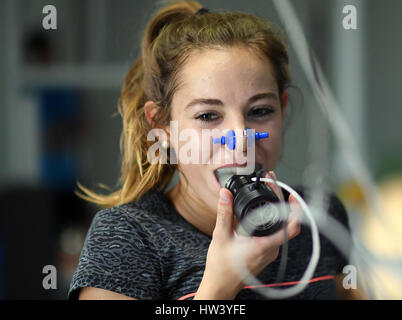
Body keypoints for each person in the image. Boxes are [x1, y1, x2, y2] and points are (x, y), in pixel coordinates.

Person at [68, 0, 351, 300]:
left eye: (259, 110)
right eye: (207, 116)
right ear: (163, 127)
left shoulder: (319, 217)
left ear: (282, 110)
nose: (241, 139)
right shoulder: (128, 238)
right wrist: (220, 285)